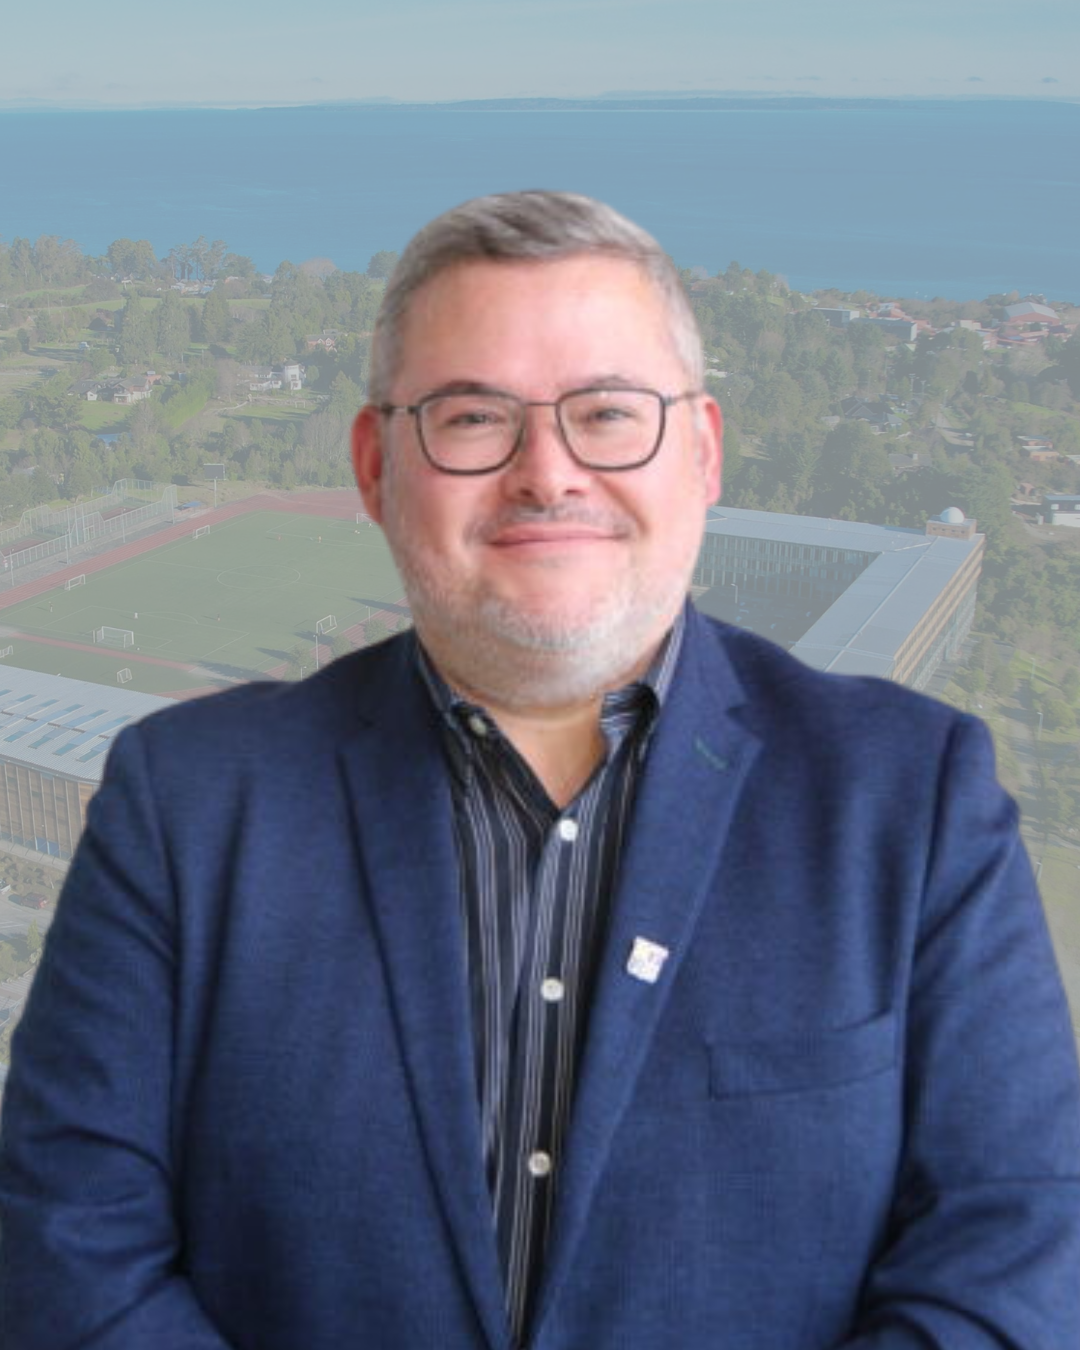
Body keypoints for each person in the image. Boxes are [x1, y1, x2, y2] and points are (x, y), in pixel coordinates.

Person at [1, 191, 1078, 1350]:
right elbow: (64, 1243)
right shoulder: (186, 803)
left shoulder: (914, 799)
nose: (546, 473)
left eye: (608, 413)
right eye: (473, 418)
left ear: (703, 453)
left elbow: (1019, 1251)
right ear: (374, 465)